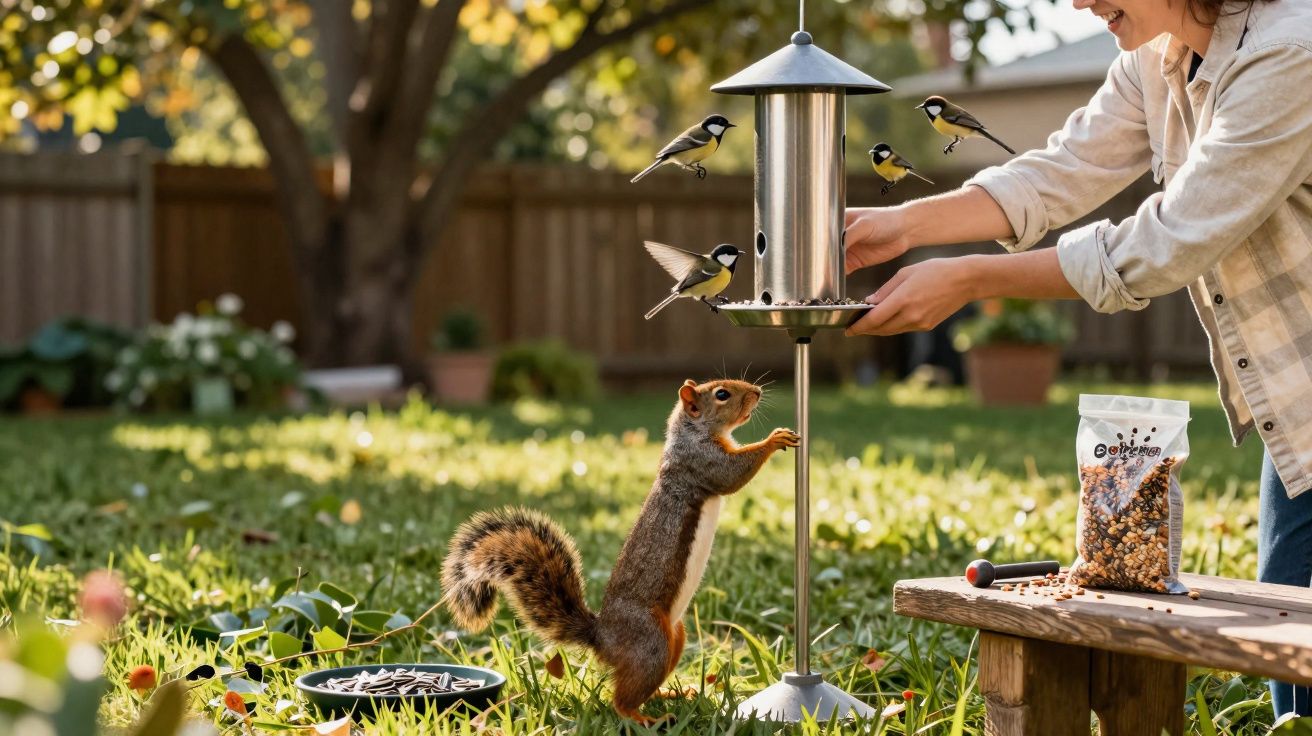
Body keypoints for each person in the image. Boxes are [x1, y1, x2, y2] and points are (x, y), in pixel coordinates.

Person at [843, 0, 1312, 718]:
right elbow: (1058, 172)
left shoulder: (1291, 51)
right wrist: (906, 225)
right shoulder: (1155, 58)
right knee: (1296, 676)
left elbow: (1167, 242)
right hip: (1299, 402)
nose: (1075, 3)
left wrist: (970, 278)